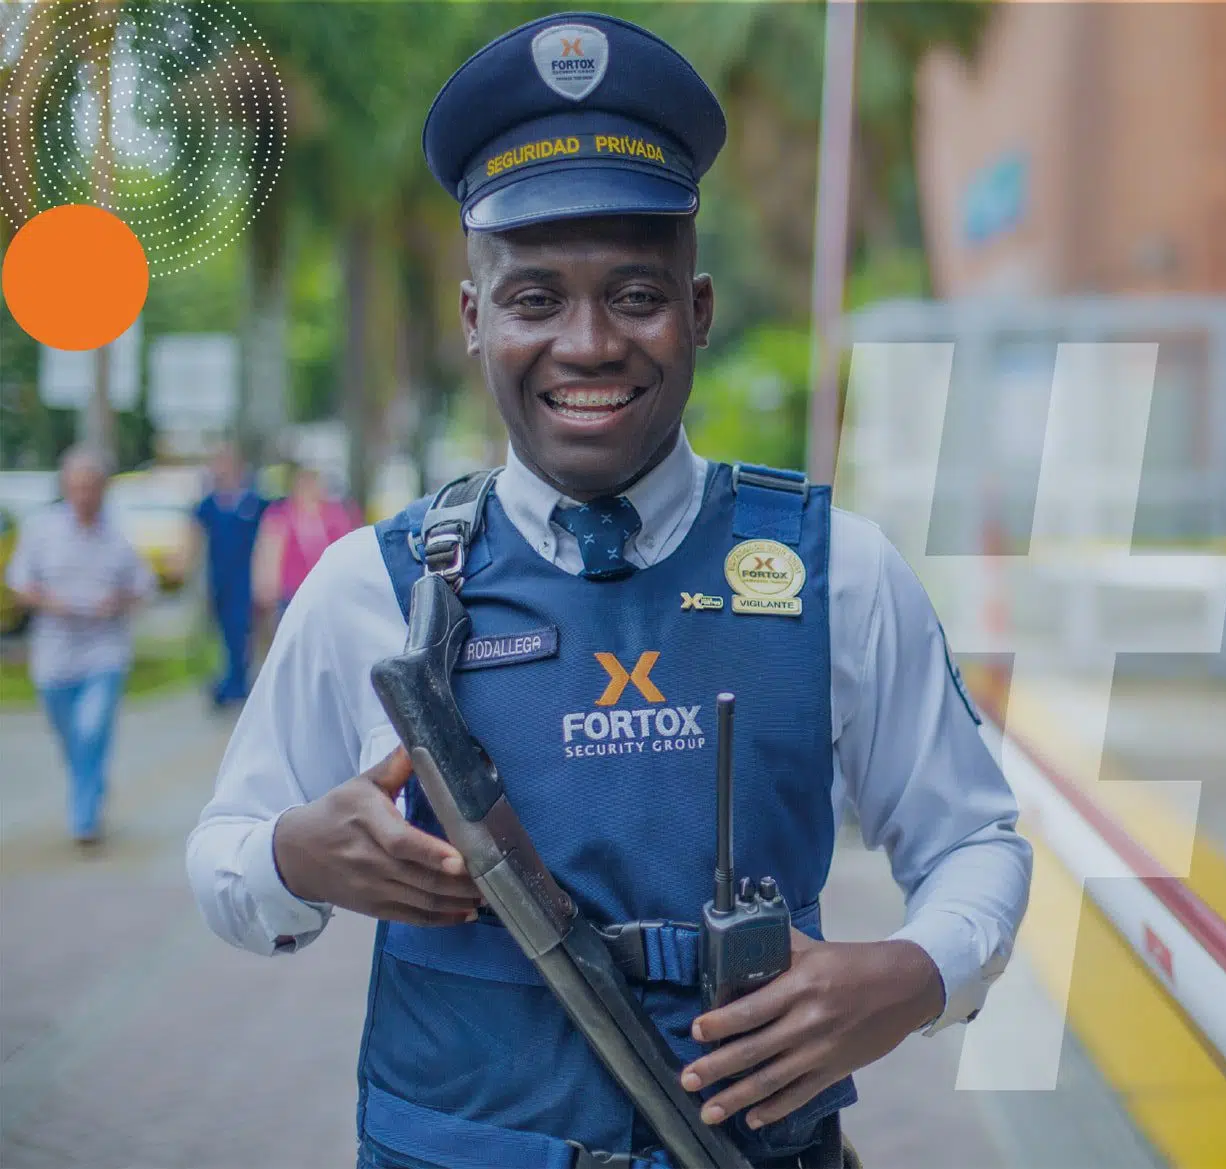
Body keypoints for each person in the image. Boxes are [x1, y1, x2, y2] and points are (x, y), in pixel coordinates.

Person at [185, 13, 1033, 1169]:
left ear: (697, 310)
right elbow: (223, 855)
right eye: (535, 299)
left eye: (634, 295)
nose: (587, 344)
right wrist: (291, 855)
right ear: (475, 319)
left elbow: (974, 837)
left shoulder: (837, 571)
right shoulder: (369, 587)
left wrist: (919, 971)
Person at [8, 445, 155, 846]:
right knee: (72, 736)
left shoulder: (117, 536)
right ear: (65, 488)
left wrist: (118, 603)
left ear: (103, 490)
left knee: (91, 730)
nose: (85, 495)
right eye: (77, 487)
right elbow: (19, 582)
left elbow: (144, 587)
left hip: (103, 651)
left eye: (92, 487)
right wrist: (48, 601)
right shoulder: (42, 530)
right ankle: (90, 785)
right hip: (54, 655)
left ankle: (83, 819)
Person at [191, 442, 266, 708]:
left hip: (244, 578)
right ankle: (227, 681)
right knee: (222, 631)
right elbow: (195, 539)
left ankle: (238, 683)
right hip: (218, 578)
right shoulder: (209, 505)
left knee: (241, 631)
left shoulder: (254, 503)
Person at [252, 462, 361, 616]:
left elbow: (346, 549)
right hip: (291, 592)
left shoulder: (334, 515)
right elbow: (269, 551)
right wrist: (266, 585)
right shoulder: (280, 514)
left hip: (326, 591)